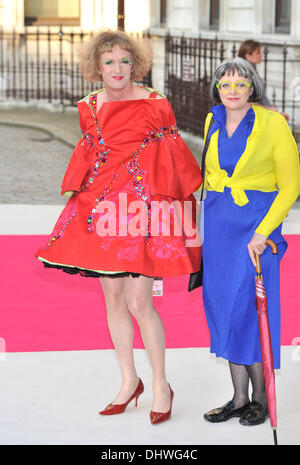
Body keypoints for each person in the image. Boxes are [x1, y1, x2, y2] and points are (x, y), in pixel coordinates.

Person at [34, 30, 202, 424]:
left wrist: (173, 219)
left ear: (136, 64)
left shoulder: (156, 103)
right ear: (97, 66)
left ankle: (161, 384)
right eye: (109, 61)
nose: (118, 69)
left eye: (125, 61)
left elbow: (171, 163)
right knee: (112, 300)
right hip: (104, 215)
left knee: (140, 302)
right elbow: (90, 160)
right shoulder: (88, 106)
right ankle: (130, 380)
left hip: (141, 214)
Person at [201, 57, 300, 426]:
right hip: (219, 227)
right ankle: (239, 397)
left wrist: (264, 232)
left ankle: (260, 396)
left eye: (240, 84)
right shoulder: (212, 120)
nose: (232, 91)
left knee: (251, 309)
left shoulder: (273, 123)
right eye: (225, 84)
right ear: (217, 88)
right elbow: (210, 175)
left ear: (252, 88)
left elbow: (291, 185)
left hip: (256, 228)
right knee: (225, 307)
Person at [238, 39, 289, 120]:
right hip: (252, 118)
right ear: (248, 56)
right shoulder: (246, 74)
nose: (261, 55)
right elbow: (249, 103)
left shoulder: (251, 70)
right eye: (258, 53)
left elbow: (262, 99)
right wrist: (276, 111)